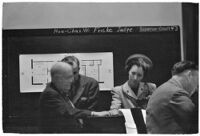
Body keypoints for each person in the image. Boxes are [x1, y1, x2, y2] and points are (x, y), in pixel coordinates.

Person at [39, 62, 109, 133]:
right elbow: (68, 112)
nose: (72, 80)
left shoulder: (59, 91)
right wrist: (93, 113)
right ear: (57, 78)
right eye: (68, 77)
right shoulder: (50, 94)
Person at [146, 61, 198, 134]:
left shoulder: (163, 88)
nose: (196, 88)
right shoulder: (176, 93)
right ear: (189, 75)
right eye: (197, 81)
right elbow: (194, 118)